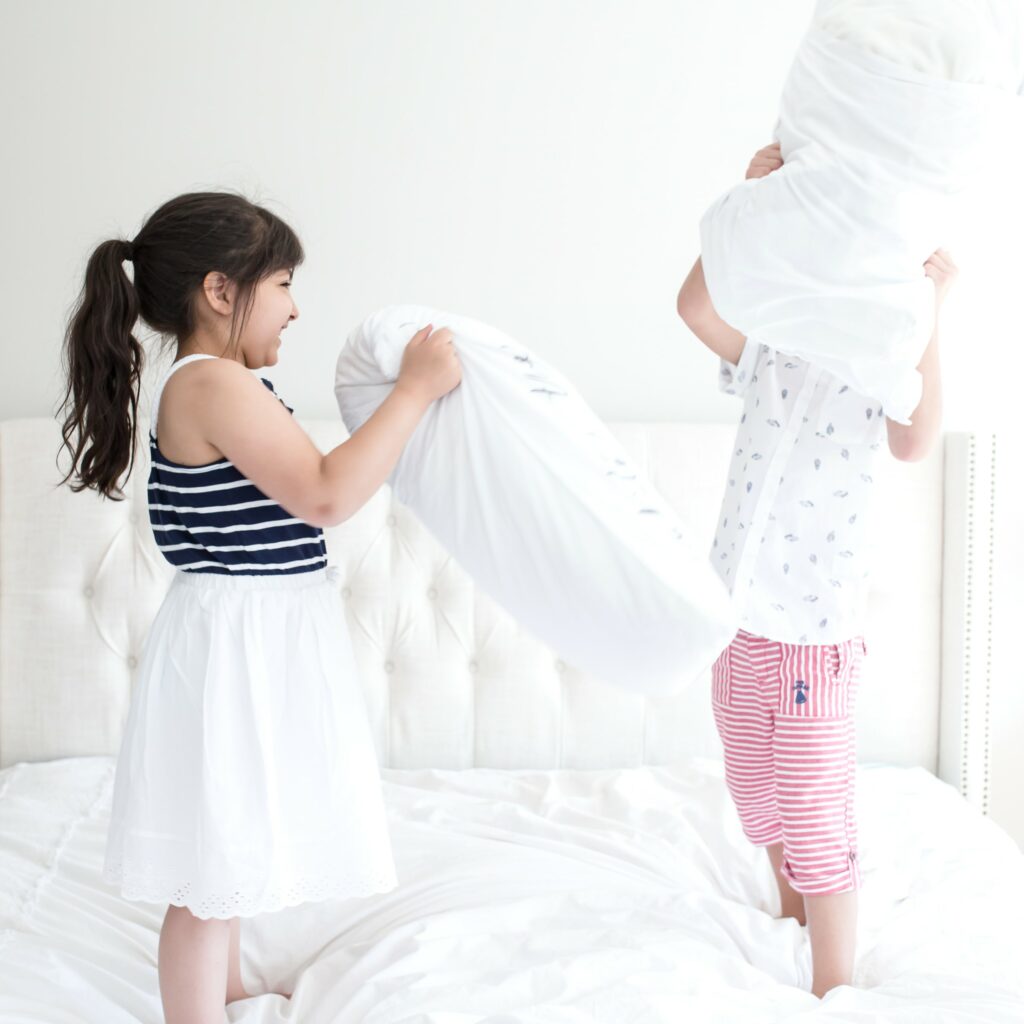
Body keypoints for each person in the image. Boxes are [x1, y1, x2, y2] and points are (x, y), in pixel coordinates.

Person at [57, 191, 461, 1023]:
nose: (295, 306)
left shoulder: (225, 384)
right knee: (211, 859)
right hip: (235, 638)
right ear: (219, 291)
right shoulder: (212, 385)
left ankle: (229, 986)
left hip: (255, 631)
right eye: (281, 283)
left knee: (232, 825)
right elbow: (325, 493)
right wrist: (413, 393)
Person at [677, 145, 956, 997]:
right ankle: (789, 913)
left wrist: (930, 318)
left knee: (811, 803)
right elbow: (693, 305)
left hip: (812, 633)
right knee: (751, 789)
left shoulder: (874, 368)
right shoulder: (771, 347)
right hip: (735, 620)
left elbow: (916, 441)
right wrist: (749, 205)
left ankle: (832, 986)